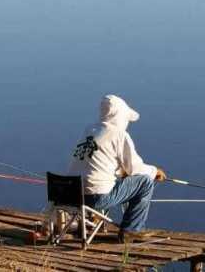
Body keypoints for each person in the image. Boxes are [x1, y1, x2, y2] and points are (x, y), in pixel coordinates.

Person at [68, 94, 166, 242]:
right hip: (96, 198)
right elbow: (134, 168)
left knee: (107, 180)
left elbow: (97, 162)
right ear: (120, 117)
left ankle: (90, 221)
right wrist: (155, 171)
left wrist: (122, 171)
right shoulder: (119, 134)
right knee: (145, 181)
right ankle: (131, 230)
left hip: (70, 195)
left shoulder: (90, 130)